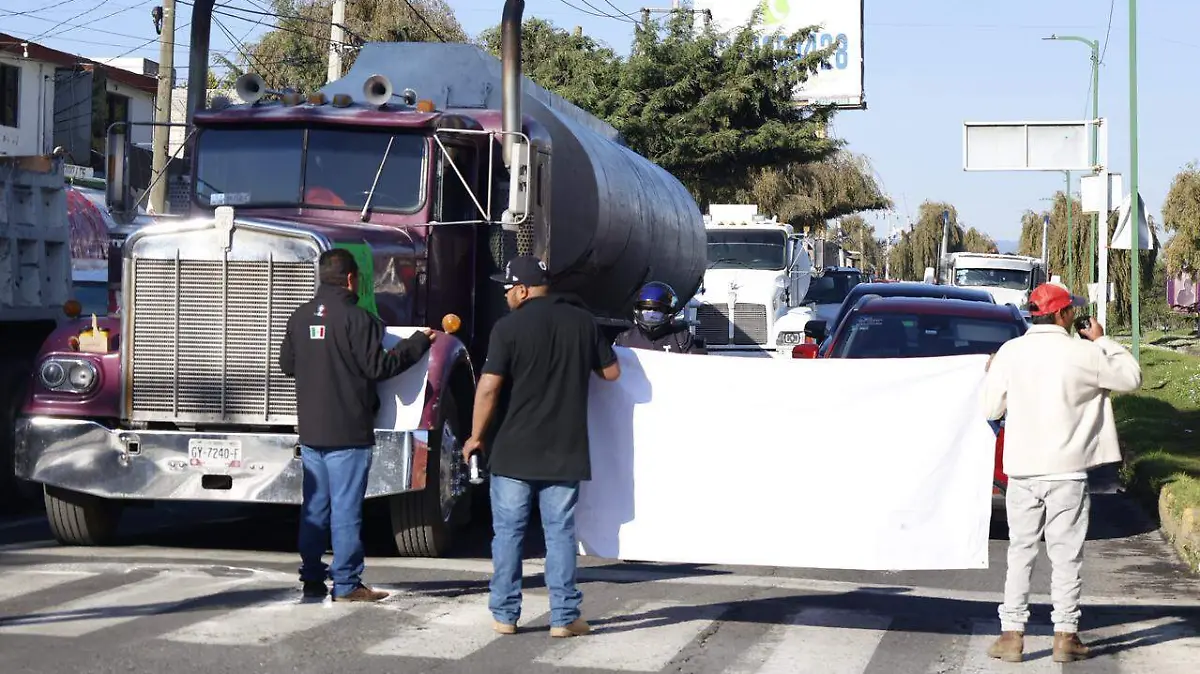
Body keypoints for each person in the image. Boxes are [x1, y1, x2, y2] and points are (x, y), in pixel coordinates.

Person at [981, 282, 1141, 663]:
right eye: (1071, 310)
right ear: (1062, 315)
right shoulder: (1083, 354)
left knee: (1020, 552)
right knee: (1066, 557)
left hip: (1021, 471)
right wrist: (1102, 341)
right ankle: (1065, 636)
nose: (1074, 315)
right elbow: (1131, 378)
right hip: (1067, 472)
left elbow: (990, 409)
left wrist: (994, 374)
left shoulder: (1010, 353)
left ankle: (1011, 636)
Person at [462, 255, 621, 638]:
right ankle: (565, 618)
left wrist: (476, 436)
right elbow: (612, 373)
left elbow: (489, 386)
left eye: (507, 289)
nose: (505, 296)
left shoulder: (508, 328)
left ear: (522, 289)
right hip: (564, 451)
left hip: (513, 451)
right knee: (560, 534)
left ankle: (505, 615)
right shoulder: (582, 322)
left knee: (509, 534)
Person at [280, 248, 435, 602]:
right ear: (352, 279)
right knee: (346, 511)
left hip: (312, 431)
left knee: (315, 508)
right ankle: (348, 584)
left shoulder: (299, 317)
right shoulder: (359, 319)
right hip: (349, 430)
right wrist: (417, 343)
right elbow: (380, 367)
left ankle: (312, 578)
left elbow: (286, 364)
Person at [614, 281, 706, 354]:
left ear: (668, 312)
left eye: (657, 310)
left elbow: (696, 370)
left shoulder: (682, 339)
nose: (651, 314)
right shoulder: (624, 339)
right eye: (646, 309)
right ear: (637, 310)